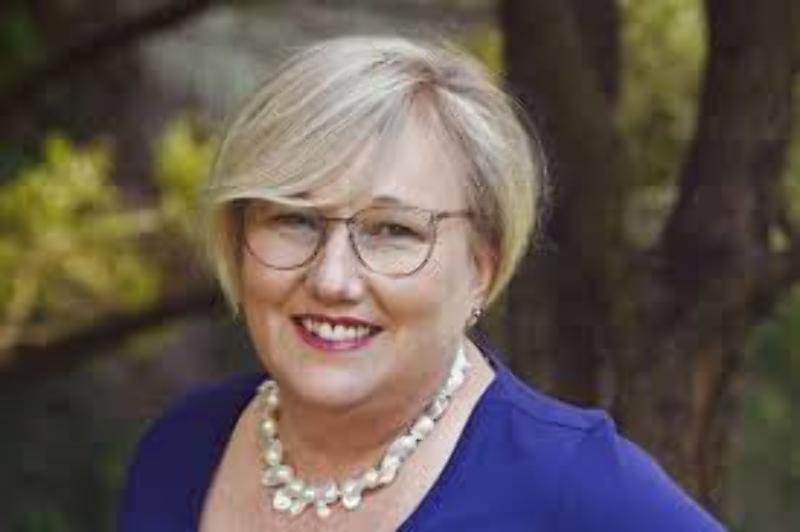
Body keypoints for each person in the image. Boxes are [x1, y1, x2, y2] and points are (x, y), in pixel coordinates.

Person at [118, 36, 725, 531]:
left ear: (481, 268)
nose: (332, 279)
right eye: (295, 221)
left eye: (392, 231)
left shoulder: (575, 486)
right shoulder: (183, 448)